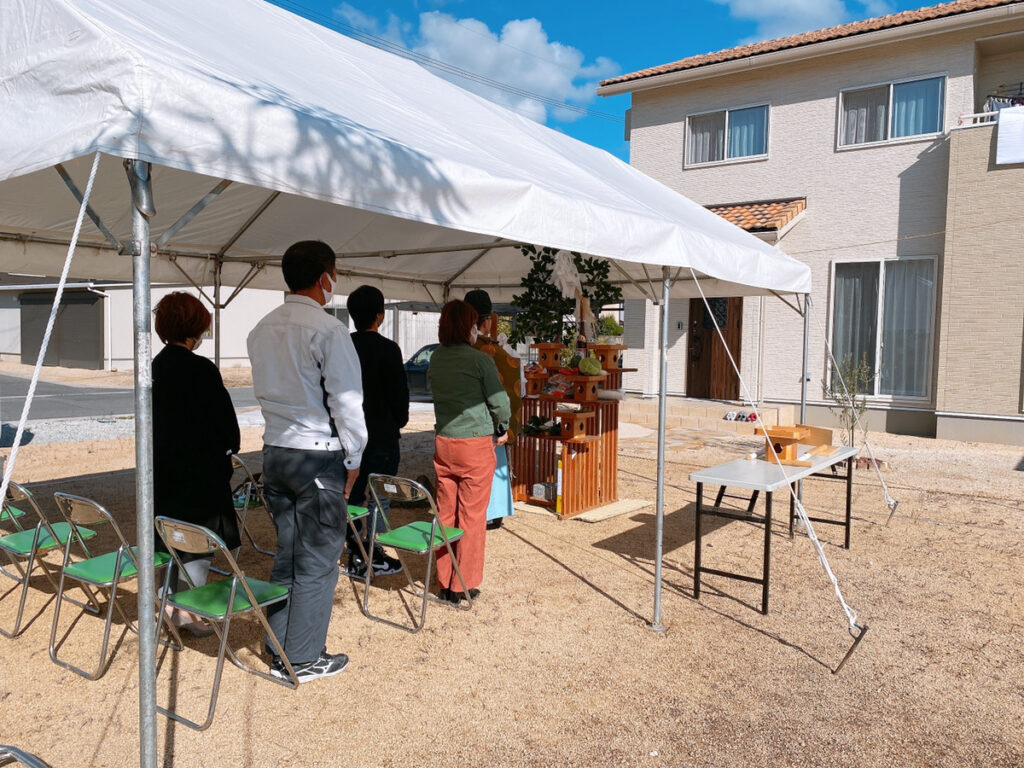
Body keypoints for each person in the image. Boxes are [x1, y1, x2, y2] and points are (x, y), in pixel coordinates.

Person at [247, 240, 367, 683]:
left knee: (288, 554)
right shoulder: (328, 329)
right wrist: (354, 456)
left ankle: (279, 643)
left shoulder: (261, 328)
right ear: (324, 278)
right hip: (317, 455)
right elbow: (347, 402)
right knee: (317, 560)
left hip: (276, 452)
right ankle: (301, 658)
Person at [152, 292, 240, 637]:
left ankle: (166, 605)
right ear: (196, 327)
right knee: (200, 540)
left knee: (168, 537)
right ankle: (188, 613)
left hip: (163, 469)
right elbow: (226, 426)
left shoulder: (155, 367)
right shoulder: (201, 369)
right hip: (201, 471)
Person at [428, 300, 511, 604]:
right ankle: (464, 584)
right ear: (469, 327)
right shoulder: (480, 361)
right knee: (472, 516)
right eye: (475, 323)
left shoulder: (436, 358)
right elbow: (500, 402)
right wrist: (502, 428)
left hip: (444, 442)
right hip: (475, 444)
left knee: (445, 513)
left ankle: (444, 581)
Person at [344, 285, 408, 578]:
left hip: (348, 436)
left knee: (352, 496)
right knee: (380, 496)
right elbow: (400, 396)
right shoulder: (389, 349)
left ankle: (355, 550)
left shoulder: (343, 347)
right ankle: (373, 550)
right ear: (380, 316)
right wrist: (398, 421)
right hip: (382, 435)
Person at [463, 289, 522, 531]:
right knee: (492, 466)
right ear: (488, 321)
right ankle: (491, 513)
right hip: (487, 425)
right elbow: (509, 390)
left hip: (458, 426)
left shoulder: (449, 351)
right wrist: (507, 427)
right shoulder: (493, 353)